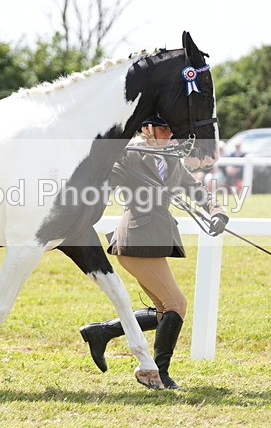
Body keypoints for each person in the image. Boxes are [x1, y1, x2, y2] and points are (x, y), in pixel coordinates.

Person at [79, 115, 228, 389]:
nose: (170, 133)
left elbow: (195, 189)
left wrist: (216, 212)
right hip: (135, 239)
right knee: (177, 304)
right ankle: (158, 373)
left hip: (157, 238)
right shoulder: (128, 154)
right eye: (162, 127)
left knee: (164, 308)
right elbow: (101, 172)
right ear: (146, 128)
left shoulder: (171, 158)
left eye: (172, 128)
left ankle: (101, 331)